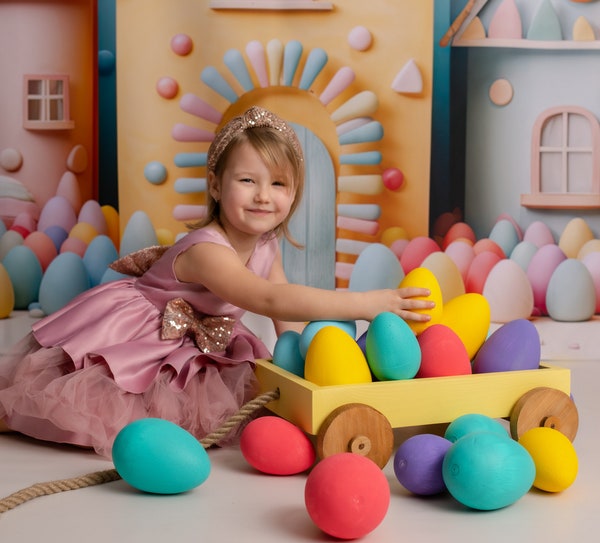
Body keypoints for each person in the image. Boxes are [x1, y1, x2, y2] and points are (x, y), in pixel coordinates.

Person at [0, 106, 434, 457]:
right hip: (142, 332)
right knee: (103, 406)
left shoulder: (266, 243)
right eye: (248, 181)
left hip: (200, 339)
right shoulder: (206, 250)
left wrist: (306, 364)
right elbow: (269, 299)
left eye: (279, 183)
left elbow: (288, 321)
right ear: (215, 184)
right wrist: (364, 303)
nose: (264, 195)